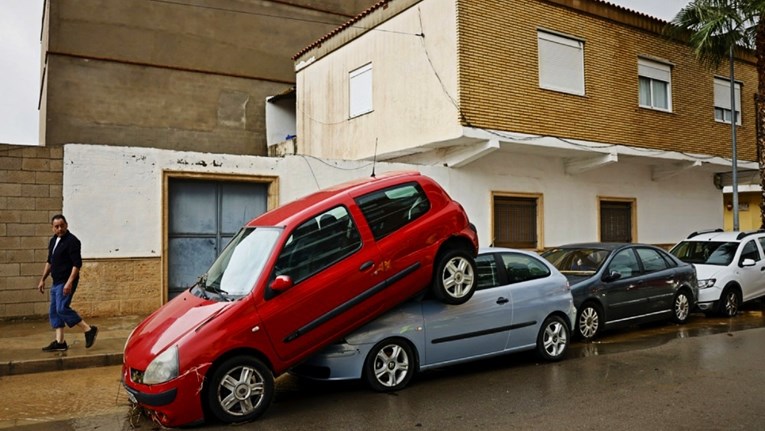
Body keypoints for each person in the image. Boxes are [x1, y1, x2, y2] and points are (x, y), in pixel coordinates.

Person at [37, 214, 98, 351]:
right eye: (56, 226)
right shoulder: (53, 241)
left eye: (62, 226)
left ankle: (88, 330)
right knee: (54, 311)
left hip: (66, 281)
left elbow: (77, 264)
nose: (59, 229)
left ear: (67, 225)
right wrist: (42, 279)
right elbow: (50, 262)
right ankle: (60, 342)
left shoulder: (72, 241)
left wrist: (69, 282)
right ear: (52, 228)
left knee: (62, 308)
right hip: (56, 281)